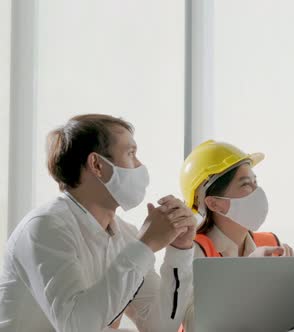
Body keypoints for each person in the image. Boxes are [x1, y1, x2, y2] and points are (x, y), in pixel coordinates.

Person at [0, 114, 195, 331]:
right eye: (131, 153)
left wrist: (180, 250)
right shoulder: (45, 228)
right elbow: (77, 326)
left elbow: (161, 326)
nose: (140, 165)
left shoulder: (124, 234)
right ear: (97, 165)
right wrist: (145, 246)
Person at [178, 140, 294, 331]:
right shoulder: (192, 251)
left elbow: (293, 317)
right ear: (214, 203)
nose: (257, 192)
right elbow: (196, 325)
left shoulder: (270, 243)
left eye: (255, 182)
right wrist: (250, 274)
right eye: (245, 185)